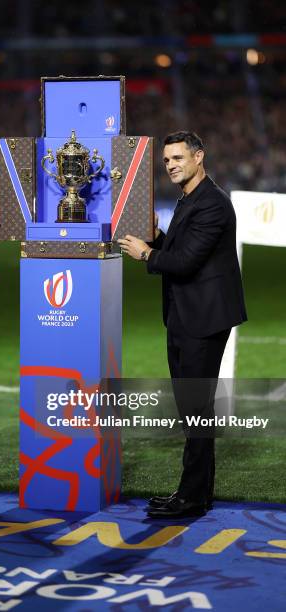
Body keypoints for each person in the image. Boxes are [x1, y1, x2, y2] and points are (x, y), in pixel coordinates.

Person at [118, 131, 247, 518]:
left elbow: (187, 262)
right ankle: (196, 493)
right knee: (193, 410)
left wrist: (147, 253)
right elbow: (183, 250)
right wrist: (158, 237)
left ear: (199, 157)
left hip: (203, 320)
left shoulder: (212, 203)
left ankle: (191, 497)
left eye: (177, 158)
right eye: (167, 160)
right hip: (186, 316)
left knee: (196, 410)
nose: (171, 165)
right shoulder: (192, 199)